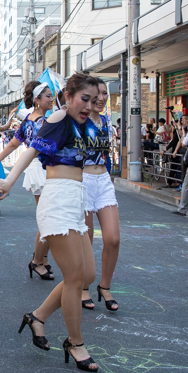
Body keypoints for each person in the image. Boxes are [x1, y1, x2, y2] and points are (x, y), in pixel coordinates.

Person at [0, 73, 102, 373]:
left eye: (93, 100)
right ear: (68, 96)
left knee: (86, 276)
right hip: (57, 201)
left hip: (75, 202)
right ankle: (76, 342)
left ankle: (38, 317)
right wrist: (8, 182)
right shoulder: (59, 118)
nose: (88, 105)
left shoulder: (84, 126)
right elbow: (31, 149)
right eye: (84, 99)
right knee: (73, 278)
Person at [0, 81, 55, 280]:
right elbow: (14, 145)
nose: (51, 99)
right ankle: (37, 261)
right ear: (37, 100)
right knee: (48, 219)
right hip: (42, 169)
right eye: (48, 96)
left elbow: (12, 145)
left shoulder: (28, 120)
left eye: (52, 96)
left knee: (48, 216)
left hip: (37, 169)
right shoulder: (43, 122)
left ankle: (43, 259)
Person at [82, 79, 120, 312]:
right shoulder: (78, 121)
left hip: (103, 180)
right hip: (82, 181)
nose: (103, 98)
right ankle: (84, 285)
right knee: (86, 241)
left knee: (113, 239)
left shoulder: (106, 121)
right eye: (98, 94)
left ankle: (104, 286)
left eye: (105, 93)